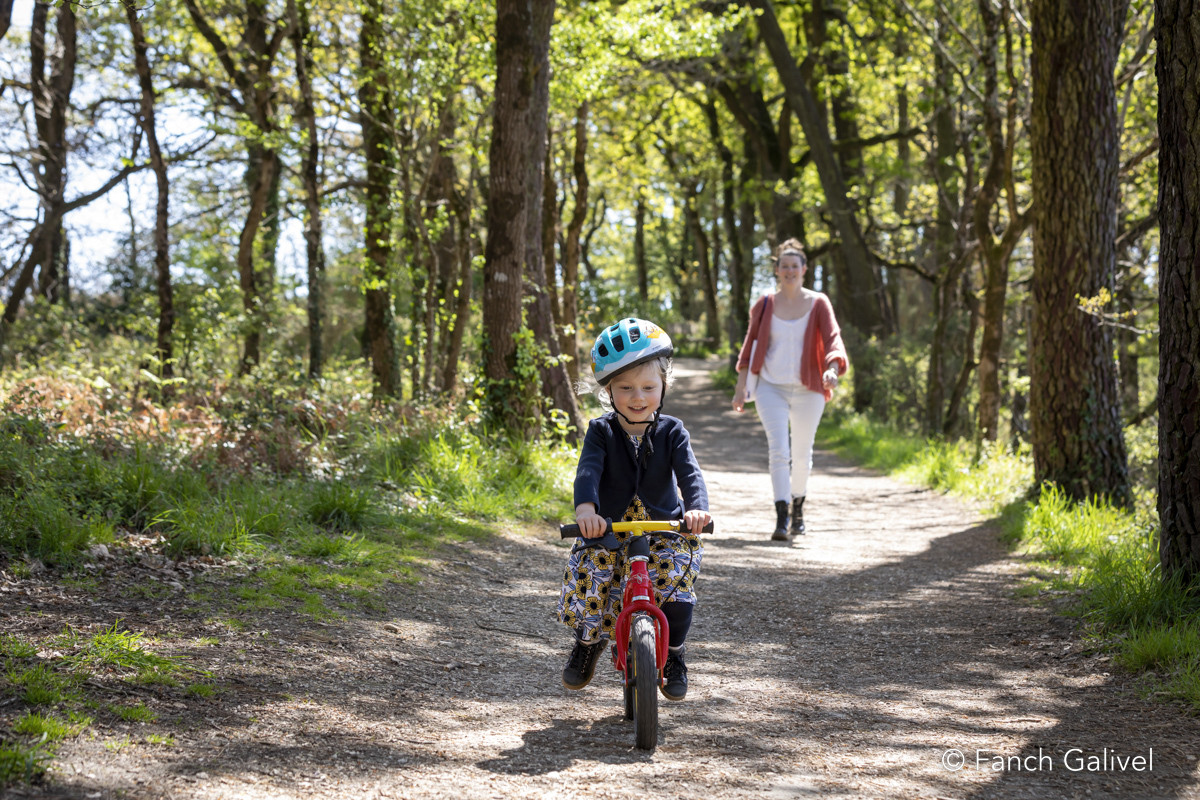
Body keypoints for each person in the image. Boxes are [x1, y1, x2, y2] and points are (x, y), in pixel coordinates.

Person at [557, 317, 712, 702]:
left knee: (676, 590)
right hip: (609, 528)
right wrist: (586, 511)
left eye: (648, 387)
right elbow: (588, 471)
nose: (637, 397)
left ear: (664, 386)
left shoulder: (673, 431)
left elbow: (690, 473)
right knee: (592, 578)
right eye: (625, 388)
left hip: (664, 527)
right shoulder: (601, 430)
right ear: (608, 391)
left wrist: (696, 510)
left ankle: (674, 654)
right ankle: (587, 643)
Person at [731, 239, 848, 541]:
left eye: (795, 266)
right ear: (777, 270)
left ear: (804, 269)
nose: (789, 271)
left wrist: (832, 368)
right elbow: (749, 346)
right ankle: (781, 516)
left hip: (810, 388)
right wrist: (741, 386)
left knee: (802, 451)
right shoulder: (765, 304)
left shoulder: (818, 303)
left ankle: (798, 507)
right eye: (784, 266)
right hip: (771, 387)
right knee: (779, 451)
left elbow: (833, 338)